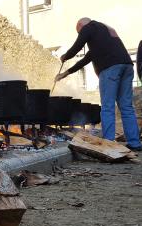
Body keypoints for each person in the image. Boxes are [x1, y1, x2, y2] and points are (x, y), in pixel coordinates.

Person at [55, 17, 141, 151]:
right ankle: (135, 144)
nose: (81, 35)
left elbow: (78, 45)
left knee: (107, 107)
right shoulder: (103, 32)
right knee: (127, 107)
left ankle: (109, 144)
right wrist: (64, 74)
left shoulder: (90, 27)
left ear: (80, 25)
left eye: (79, 32)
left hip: (110, 69)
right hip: (127, 66)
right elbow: (85, 59)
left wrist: (65, 56)